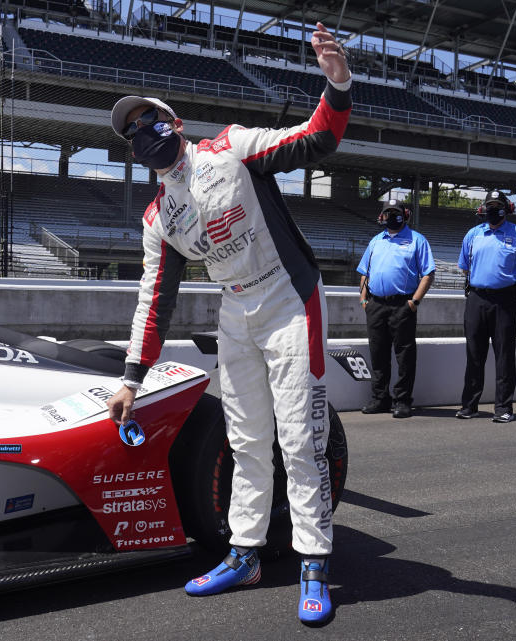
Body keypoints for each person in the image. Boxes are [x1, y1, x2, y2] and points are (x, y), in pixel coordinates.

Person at [105, 22, 350, 625]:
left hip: (290, 298)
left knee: (299, 437)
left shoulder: (232, 147)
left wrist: (338, 83)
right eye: (130, 131)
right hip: (237, 309)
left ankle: (314, 562)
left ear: (176, 124)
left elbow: (314, 140)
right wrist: (132, 377)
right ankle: (246, 552)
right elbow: (153, 298)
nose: (142, 133)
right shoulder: (159, 216)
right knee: (245, 441)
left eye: (149, 121)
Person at [456, 190, 516, 423]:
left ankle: (503, 408)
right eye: (489, 205)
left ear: (506, 207)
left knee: (504, 356)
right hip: (477, 299)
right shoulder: (473, 234)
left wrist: (509, 285)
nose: (492, 209)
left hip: (505, 301)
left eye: (496, 205)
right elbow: (464, 267)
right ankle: (469, 405)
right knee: (474, 354)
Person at [357, 198, 435, 419]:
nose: (391, 216)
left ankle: (402, 400)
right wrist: (364, 299)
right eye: (387, 212)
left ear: (405, 214)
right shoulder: (375, 242)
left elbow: (428, 273)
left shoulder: (417, 240)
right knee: (378, 353)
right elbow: (365, 271)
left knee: (404, 355)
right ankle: (380, 398)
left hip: (402, 305)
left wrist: (414, 302)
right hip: (376, 304)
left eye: (395, 212)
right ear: (382, 215)